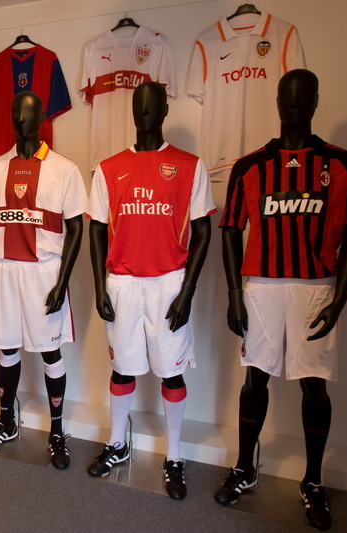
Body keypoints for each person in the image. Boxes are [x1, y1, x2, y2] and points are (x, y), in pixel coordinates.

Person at [215, 69, 347, 531]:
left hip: (316, 287)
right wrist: (234, 294)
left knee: (314, 385)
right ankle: (245, 466)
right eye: (287, 96)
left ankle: (313, 479)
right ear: (277, 101)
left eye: (304, 97)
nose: (295, 104)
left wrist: (339, 300)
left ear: (317, 101)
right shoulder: (249, 167)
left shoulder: (345, 164)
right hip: (262, 287)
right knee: (254, 379)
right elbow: (230, 231)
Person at [86, 82, 215, 499]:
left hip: (169, 282)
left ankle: (174, 456)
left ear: (164, 111)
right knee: (123, 367)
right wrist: (99, 285)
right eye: (138, 105)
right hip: (122, 281)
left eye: (152, 105)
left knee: (170, 370)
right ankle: (117, 443)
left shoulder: (189, 165)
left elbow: (203, 229)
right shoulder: (109, 168)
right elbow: (96, 228)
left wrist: (188, 290)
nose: (144, 111)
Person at [0, 91, 85, 469]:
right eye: (16, 112)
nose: (22, 118)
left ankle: (57, 431)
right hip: (4, 269)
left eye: (29, 112)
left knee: (51, 351)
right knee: (7, 349)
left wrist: (62, 281)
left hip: (44, 272)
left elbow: (76, 228)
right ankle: (6, 422)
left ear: (41, 118)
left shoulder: (64, 169)